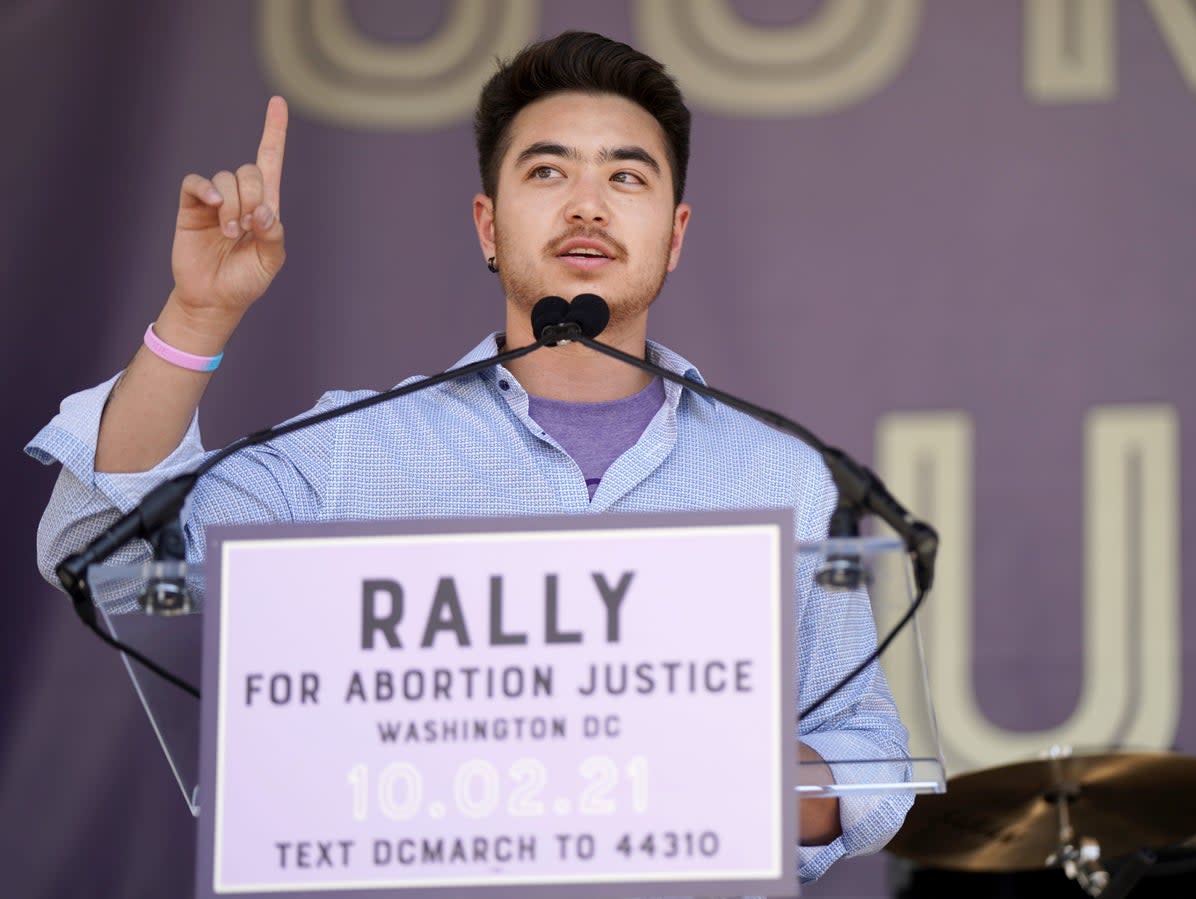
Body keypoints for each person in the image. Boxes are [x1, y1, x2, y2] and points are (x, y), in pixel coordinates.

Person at [28, 31, 910, 883]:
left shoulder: (780, 474)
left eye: (626, 176)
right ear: (488, 224)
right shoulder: (346, 455)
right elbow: (103, 551)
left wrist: (719, 769)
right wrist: (197, 317)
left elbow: (866, 749)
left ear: (675, 235)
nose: (588, 204)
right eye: (548, 170)